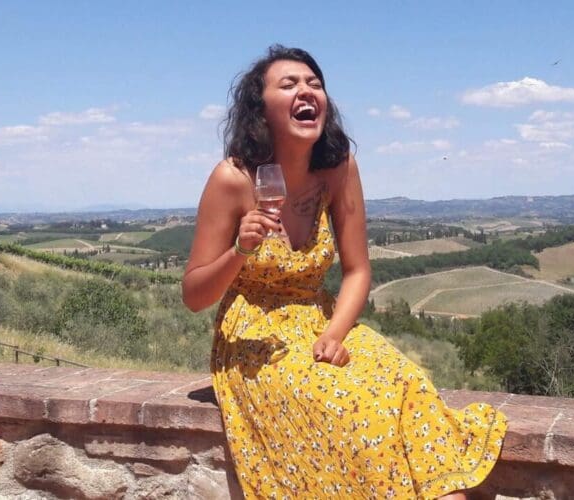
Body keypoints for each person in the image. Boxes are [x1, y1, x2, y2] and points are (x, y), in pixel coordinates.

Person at [182, 45, 506, 499]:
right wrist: (240, 249)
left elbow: (357, 271)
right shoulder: (233, 178)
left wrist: (335, 334)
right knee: (347, 405)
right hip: (255, 335)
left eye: (315, 84)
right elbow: (195, 294)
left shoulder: (337, 169)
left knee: (405, 381)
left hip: (322, 318)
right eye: (289, 84)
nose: (306, 91)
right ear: (262, 109)